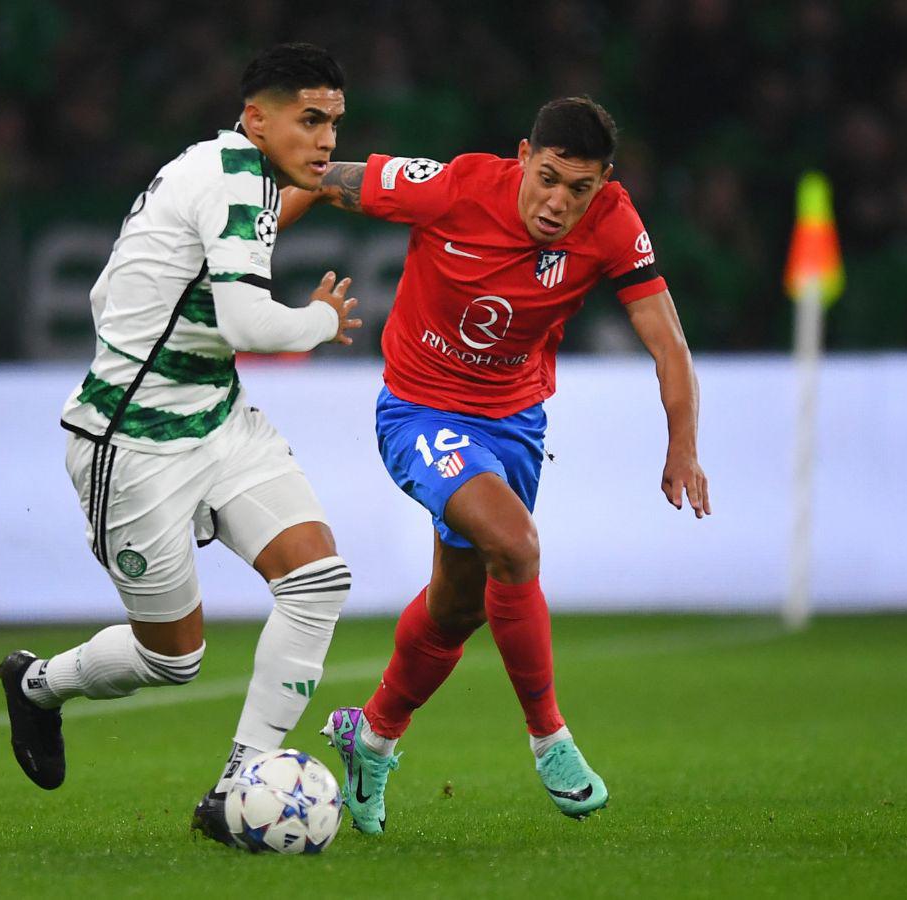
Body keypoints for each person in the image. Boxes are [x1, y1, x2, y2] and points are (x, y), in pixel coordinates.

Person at [279, 96, 711, 833]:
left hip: (514, 423)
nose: (559, 202)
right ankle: (551, 741)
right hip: (420, 413)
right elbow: (320, 178)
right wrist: (241, 252)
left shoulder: (613, 224)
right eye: (548, 178)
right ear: (522, 156)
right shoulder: (451, 189)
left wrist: (683, 446)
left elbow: (667, 339)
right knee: (515, 544)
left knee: (458, 606)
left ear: (602, 184)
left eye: (580, 188)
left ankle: (372, 735)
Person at [0, 43, 360, 849]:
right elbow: (248, 324)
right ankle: (37, 683)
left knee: (317, 580)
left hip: (216, 418)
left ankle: (238, 786)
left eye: (334, 121)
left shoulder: (239, 170)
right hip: (132, 444)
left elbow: (264, 221)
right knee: (174, 660)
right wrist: (323, 322)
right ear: (256, 119)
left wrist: (344, 184)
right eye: (310, 121)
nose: (327, 139)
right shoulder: (229, 178)